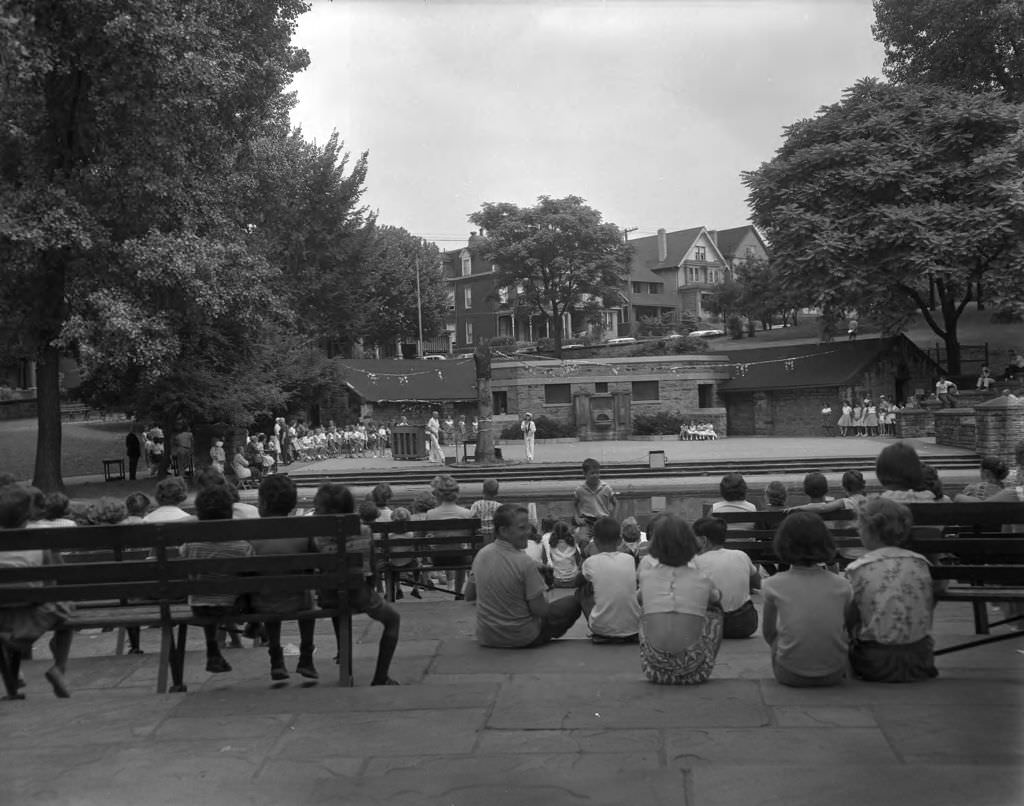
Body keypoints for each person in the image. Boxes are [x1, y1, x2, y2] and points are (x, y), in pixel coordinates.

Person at [312, 483, 402, 685]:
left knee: (338, 610)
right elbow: (371, 570)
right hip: (358, 594)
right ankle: (380, 676)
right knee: (393, 620)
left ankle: (346, 666)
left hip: (328, 596)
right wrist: (372, 589)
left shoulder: (315, 536)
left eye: (317, 507)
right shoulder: (364, 531)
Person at [844, 498, 939, 683]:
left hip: (874, 662)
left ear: (869, 531)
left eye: (860, 528)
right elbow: (936, 592)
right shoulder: (920, 563)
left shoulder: (858, 568)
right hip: (921, 659)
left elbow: (848, 619)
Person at [471, 503, 581, 648]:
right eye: (522, 528)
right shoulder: (525, 563)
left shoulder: (482, 554)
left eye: (528, 527)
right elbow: (541, 610)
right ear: (503, 531)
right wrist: (545, 586)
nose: (529, 532)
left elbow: (469, 595)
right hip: (523, 637)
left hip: (487, 636)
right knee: (573, 603)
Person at [761, 512, 852, 687]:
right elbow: (847, 628)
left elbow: (769, 633)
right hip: (835, 672)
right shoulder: (842, 585)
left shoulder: (773, 585)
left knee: (779, 639)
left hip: (789, 674)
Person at [0, 484, 73, 699]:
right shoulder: (40, 540)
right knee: (64, 607)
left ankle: (12, 675)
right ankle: (59, 667)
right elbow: (57, 578)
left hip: (1, 614)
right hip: (35, 612)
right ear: (28, 514)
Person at [637, 512, 723, 685]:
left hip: (653, 671)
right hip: (696, 672)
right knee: (715, 609)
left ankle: (659, 652)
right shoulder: (701, 576)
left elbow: (639, 599)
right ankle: (701, 654)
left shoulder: (646, 574)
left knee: (645, 609)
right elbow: (716, 597)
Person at [250, 474, 318, 682]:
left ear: (263, 502)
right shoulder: (303, 530)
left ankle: (276, 659)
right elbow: (313, 564)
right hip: (299, 601)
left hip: (264, 602)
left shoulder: (250, 532)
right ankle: (306, 655)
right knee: (305, 592)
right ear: (292, 503)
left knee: (268, 588)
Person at [180, 485, 254, 675]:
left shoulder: (192, 544)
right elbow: (251, 571)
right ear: (229, 513)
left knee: (206, 598)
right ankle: (256, 625)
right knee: (246, 584)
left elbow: (184, 557)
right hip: (233, 605)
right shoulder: (241, 545)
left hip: (200, 605)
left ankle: (212, 649)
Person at [693, 516, 760, 639]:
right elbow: (757, 583)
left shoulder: (695, 562)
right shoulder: (741, 555)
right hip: (746, 624)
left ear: (703, 540)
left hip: (711, 627)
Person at [579, 517, 640, 644]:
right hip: (634, 628)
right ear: (619, 540)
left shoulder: (590, 562)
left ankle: (597, 628)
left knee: (582, 590)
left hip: (601, 630)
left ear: (594, 541)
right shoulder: (629, 559)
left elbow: (577, 581)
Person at [426, 474, 475, 596]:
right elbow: (471, 537)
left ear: (439, 494)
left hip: (438, 559)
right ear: (457, 493)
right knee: (462, 552)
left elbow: (421, 537)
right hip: (461, 558)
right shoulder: (467, 514)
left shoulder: (431, 514)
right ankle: (458, 592)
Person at [573, 458, 617, 548]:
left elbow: (615, 503)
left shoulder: (606, 488)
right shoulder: (580, 490)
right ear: (585, 474)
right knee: (582, 540)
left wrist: (613, 518)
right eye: (592, 473)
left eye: (597, 472)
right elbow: (574, 503)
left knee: (606, 541)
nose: (595, 475)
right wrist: (576, 517)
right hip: (587, 521)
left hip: (603, 520)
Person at [544, 520, 582, 590]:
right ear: (567, 531)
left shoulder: (552, 545)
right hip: (574, 580)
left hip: (557, 581)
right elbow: (579, 559)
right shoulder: (572, 543)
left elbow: (552, 560)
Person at [469, 478, 501, 543]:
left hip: (479, 542)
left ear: (483, 491)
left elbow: (471, 521)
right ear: (497, 492)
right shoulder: (500, 507)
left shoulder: (476, 505)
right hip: (495, 542)